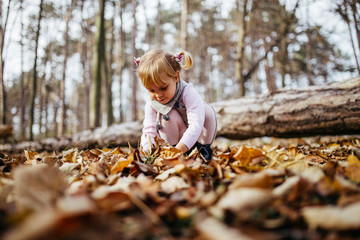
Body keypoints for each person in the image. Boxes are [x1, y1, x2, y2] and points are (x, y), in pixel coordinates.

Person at [134, 49, 217, 161]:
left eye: (163, 88)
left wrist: (180, 149)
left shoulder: (188, 92)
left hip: (195, 138)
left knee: (207, 111)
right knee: (167, 115)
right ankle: (171, 149)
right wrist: (146, 153)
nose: (158, 95)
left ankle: (203, 150)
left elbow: (196, 124)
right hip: (173, 140)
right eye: (151, 90)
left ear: (176, 77)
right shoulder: (151, 103)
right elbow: (149, 130)